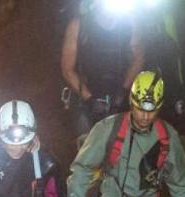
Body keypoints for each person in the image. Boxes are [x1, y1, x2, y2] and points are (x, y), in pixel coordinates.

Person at [61, 0, 146, 141]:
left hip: (120, 94)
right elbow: (67, 69)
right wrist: (90, 99)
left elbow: (139, 60)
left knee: (125, 144)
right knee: (88, 145)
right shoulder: (78, 26)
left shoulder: (130, 24)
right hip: (86, 94)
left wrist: (123, 92)